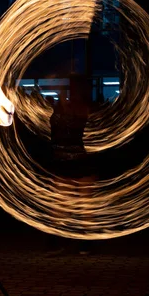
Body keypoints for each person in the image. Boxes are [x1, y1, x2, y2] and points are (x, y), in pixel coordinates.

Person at [45, 73, 98, 256]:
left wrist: (59, 92)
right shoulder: (68, 106)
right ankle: (70, 242)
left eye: (70, 87)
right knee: (65, 205)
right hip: (67, 159)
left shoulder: (77, 108)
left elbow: (69, 117)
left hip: (74, 160)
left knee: (80, 204)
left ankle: (79, 243)